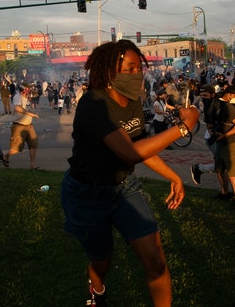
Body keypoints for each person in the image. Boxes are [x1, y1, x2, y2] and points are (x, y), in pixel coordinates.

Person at [60, 39, 199, 307]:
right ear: (109, 72)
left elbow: (141, 147)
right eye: (129, 68)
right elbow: (129, 153)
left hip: (124, 186)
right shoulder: (94, 104)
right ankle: (97, 291)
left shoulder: (134, 101)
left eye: (139, 68)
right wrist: (183, 127)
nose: (137, 74)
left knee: (156, 260)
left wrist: (173, 176)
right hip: (87, 193)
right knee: (102, 261)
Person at [211, 86, 235, 209]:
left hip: (232, 144)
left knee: (232, 173)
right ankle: (224, 192)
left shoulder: (229, 107)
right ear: (229, 95)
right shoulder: (223, 105)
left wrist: (225, 135)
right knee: (219, 169)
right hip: (222, 143)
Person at [2, 84, 39, 169]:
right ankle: (6, 156)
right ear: (23, 90)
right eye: (27, 89)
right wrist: (30, 114)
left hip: (29, 125)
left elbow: (36, 94)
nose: (29, 91)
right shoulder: (17, 97)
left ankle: (33, 165)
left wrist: (33, 92)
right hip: (19, 125)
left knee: (33, 145)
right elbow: (17, 108)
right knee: (16, 148)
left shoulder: (26, 97)